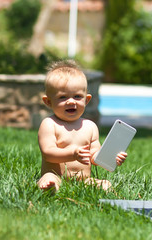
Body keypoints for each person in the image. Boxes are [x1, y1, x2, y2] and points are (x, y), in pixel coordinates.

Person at [37, 60, 127, 192]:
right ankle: (51, 186)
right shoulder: (49, 124)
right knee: (49, 177)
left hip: (84, 180)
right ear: (48, 102)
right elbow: (48, 153)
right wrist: (72, 154)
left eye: (77, 96)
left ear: (87, 100)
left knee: (105, 184)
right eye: (63, 97)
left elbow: (94, 155)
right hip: (57, 175)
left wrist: (110, 158)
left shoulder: (90, 126)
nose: (71, 101)